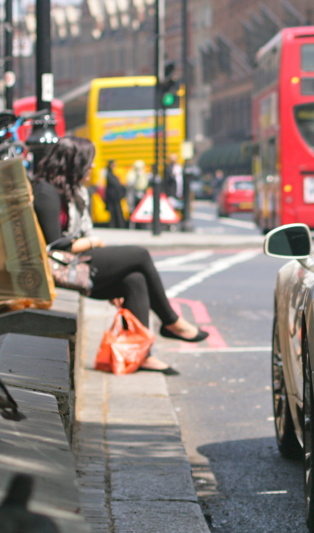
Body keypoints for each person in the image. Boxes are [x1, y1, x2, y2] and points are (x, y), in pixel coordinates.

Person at [31, 137, 208, 375]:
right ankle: (170, 321)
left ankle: (140, 353)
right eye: (88, 161)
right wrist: (92, 242)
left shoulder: (76, 191)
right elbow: (54, 246)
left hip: (78, 262)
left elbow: (79, 235)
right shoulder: (46, 192)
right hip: (61, 268)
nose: (93, 167)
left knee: (133, 279)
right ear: (73, 163)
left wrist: (106, 266)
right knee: (140, 254)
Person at [103, 159, 128, 229]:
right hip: (112, 198)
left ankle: (118, 225)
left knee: (117, 212)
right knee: (115, 212)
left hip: (115, 197)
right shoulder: (109, 174)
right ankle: (116, 225)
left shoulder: (111, 174)